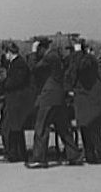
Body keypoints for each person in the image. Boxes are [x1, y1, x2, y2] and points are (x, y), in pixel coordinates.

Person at [26, 40, 82, 168]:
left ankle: (39, 158)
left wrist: (33, 52)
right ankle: (73, 155)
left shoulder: (49, 57)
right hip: (59, 96)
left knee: (41, 127)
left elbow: (33, 68)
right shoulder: (56, 56)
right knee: (63, 128)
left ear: (42, 48)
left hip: (49, 96)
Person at [65, 42, 101, 164]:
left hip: (86, 96)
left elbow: (79, 69)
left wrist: (78, 53)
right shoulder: (85, 60)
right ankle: (95, 154)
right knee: (89, 127)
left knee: (88, 126)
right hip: (88, 96)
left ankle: (97, 153)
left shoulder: (84, 60)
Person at [0, 42, 33, 163]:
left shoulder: (18, 64)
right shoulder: (16, 63)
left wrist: (2, 85)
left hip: (17, 100)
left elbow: (16, 81)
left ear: (9, 52)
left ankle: (13, 154)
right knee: (15, 128)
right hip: (15, 100)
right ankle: (18, 153)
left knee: (10, 128)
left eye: (6, 53)